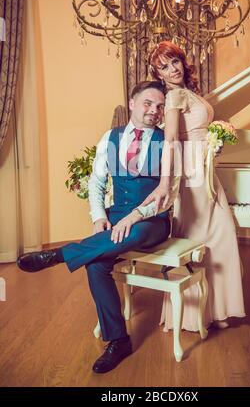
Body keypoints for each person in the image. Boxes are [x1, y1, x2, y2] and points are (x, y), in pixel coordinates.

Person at [17, 80, 171, 374]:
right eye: (148, 103)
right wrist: (99, 216)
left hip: (152, 219)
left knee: (135, 232)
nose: (154, 110)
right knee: (96, 265)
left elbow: (167, 195)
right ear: (133, 102)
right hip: (116, 213)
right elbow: (97, 181)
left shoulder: (167, 141)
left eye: (160, 106)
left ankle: (59, 255)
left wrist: (135, 216)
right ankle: (118, 340)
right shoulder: (111, 137)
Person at [141, 41, 245, 331]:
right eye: (163, 66)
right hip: (192, 174)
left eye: (174, 62)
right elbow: (172, 139)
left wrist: (215, 142)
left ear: (182, 62)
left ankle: (216, 311)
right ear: (158, 74)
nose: (172, 69)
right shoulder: (173, 96)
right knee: (201, 236)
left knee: (218, 235)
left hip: (206, 170)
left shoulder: (190, 93)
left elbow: (193, 133)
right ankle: (191, 315)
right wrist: (166, 182)